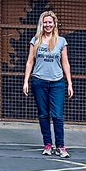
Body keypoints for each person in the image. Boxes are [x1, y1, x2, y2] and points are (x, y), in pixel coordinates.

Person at [23, 9, 74, 158]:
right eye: (45, 22)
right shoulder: (36, 40)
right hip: (39, 82)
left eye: (50, 22)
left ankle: (61, 146)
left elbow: (65, 63)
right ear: (41, 24)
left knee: (57, 115)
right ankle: (48, 145)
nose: (47, 25)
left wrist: (69, 83)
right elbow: (30, 61)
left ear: (54, 24)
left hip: (57, 83)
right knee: (43, 114)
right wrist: (26, 81)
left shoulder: (61, 41)